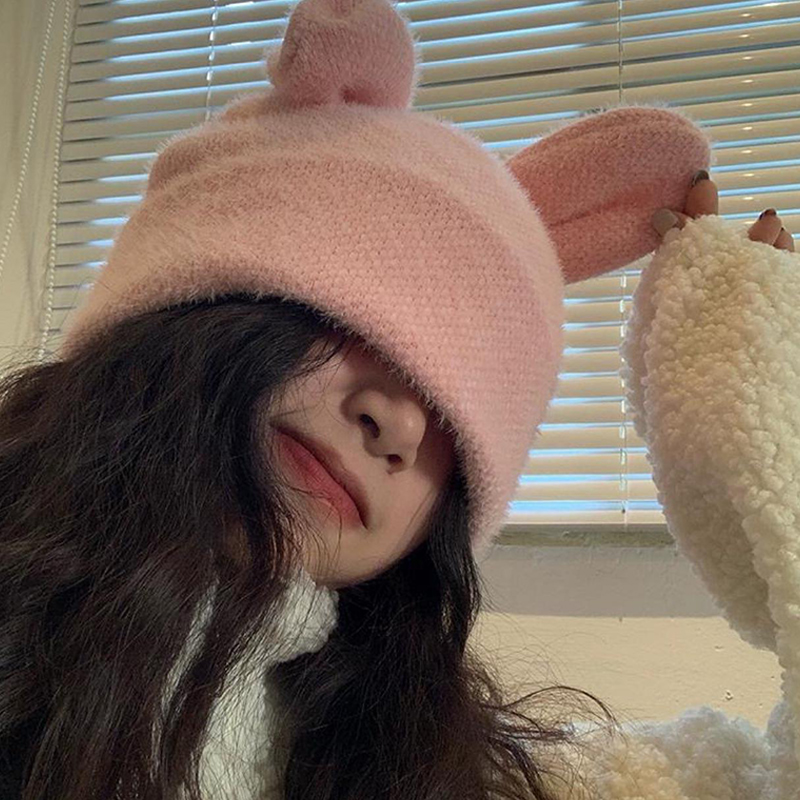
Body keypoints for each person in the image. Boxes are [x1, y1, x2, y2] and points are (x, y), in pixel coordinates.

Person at [0, 0, 797, 798]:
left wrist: (769, 426)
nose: (402, 427)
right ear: (189, 303)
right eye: (365, 324)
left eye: (458, 416)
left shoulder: (421, 761)